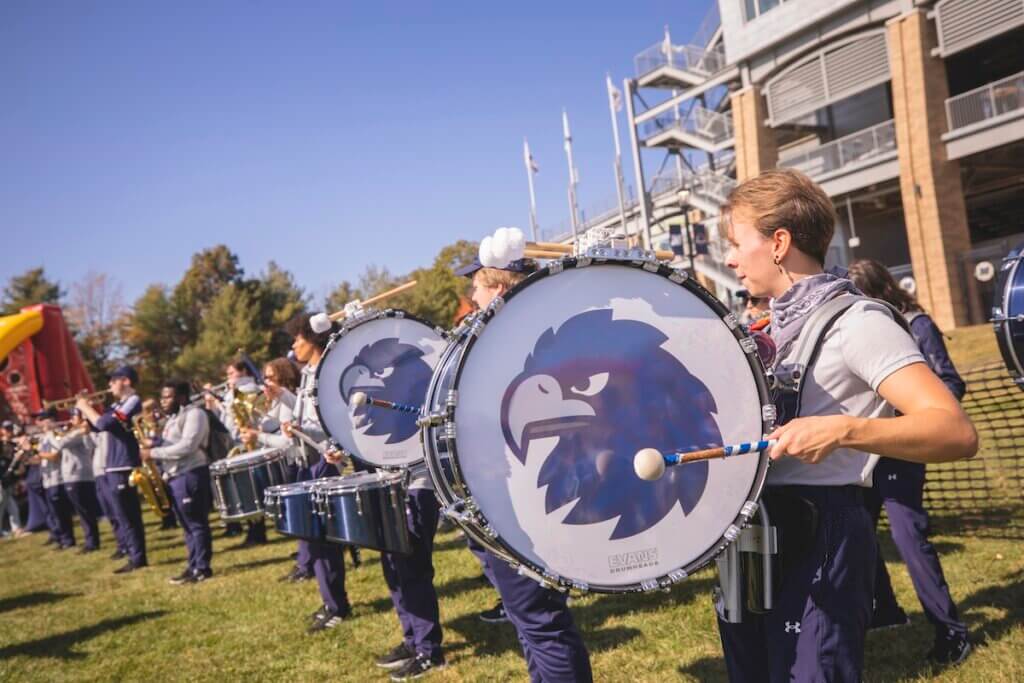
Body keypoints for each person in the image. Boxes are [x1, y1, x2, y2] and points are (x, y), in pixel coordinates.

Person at [717, 169, 977, 681]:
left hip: (822, 527)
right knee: (750, 670)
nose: (728, 259)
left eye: (735, 242)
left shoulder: (858, 322)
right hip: (750, 533)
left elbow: (954, 430)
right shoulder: (764, 330)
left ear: (779, 243)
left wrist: (843, 429)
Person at [450, 257, 594, 683]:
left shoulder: (517, 347)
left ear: (496, 291)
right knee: (528, 619)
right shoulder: (503, 344)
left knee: (540, 618)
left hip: (519, 499)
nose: (470, 297)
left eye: (475, 287)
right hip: (499, 497)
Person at [847, 258, 972, 664]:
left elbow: (951, 381)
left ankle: (951, 632)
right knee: (857, 531)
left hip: (903, 450)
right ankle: (884, 610)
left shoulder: (915, 324)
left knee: (909, 539)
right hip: (868, 451)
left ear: (876, 290)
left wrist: (909, 416)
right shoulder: (862, 330)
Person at [346, 442, 445, 678]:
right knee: (393, 569)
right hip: (384, 483)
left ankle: (429, 651)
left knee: (413, 568)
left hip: (415, 482)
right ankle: (412, 639)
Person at [279, 313, 352, 632]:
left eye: (298, 337)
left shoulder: (329, 371)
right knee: (315, 535)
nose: (294, 344)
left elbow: (333, 421)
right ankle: (329, 600)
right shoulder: (307, 373)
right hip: (306, 461)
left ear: (314, 340)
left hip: (324, 461)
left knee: (325, 537)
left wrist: (303, 428)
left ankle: (337, 605)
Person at [240, 357, 314, 582]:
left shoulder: (290, 399)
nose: (266, 382)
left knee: (302, 517)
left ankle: (307, 564)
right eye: (265, 377)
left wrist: (258, 436)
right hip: (289, 463)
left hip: (296, 461)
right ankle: (304, 560)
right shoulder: (279, 401)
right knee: (296, 517)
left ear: (283, 377)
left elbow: (286, 442)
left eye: (271, 377)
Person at [77, 366, 148, 574]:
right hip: (114, 463)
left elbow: (104, 422)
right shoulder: (118, 404)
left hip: (123, 463)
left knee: (127, 514)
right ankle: (135, 555)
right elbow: (98, 426)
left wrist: (84, 406)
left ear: (125, 381)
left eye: (113, 380)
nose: (108, 385)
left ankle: (137, 557)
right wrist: (86, 412)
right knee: (121, 513)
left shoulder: (132, 401)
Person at [143, 380, 214, 584]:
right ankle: (193, 565)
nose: (163, 401)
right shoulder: (174, 418)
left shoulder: (195, 414)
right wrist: (155, 443)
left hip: (191, 472)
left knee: (196, 523)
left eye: (168, 397)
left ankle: (202, 568)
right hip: (176, 475)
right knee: (187, 525)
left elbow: (188, 446)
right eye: (162, 397)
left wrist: (153, 452)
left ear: (182, 397)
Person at [206, 357, 265, 544]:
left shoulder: (248, 389)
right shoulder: (233, 392)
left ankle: (257, 530)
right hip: (234, 441)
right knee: (244, 488)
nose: (229, 377)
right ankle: (252, 528)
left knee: (251, 488)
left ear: (244, 372)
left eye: (232, 373)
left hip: (247, 442)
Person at [51, 410, 102, 553]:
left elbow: (60, 444)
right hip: (72, 475)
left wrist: (51, 432)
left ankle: (92, 542)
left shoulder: (79, 432)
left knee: (85, 511)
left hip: (79, 475)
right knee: (81, 511)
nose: (71, 419)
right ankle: (90, 541)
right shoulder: (74, 431)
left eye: (74, 416)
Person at [35, 411, 76, 550]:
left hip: (57, 478)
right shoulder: (43, 438)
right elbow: (41, 457)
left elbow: (55, 455)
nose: (39, 423)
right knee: (54, 513)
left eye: (42, 419)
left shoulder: (57, 434)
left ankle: (68, 539)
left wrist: (39, 454)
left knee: (61, 513)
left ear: (50, 420)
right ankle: (61, 538)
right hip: (47, 479)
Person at [0, 421, 26, 538]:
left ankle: (17, 529)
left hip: (8, 479)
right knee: (2, 504)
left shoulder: (12, 444)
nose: (9, 431)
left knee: (10, 504)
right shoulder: (2, 444)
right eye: (6, 429)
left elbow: (14, 461)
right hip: (2, 478)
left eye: (10, 429)